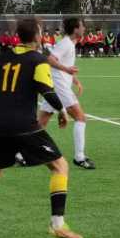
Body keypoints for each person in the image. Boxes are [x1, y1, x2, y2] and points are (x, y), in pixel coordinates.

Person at [0, 18, 82, 238]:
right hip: (25, 126)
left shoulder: (1, 58)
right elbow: (47, 92)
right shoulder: (37, 60)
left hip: (0, 126)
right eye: (41, 32)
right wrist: (61, 111)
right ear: (37, 36)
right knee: (60, 166)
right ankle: (57, 224)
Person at [37, 17, 95, 169]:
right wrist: (67, 70)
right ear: (75, 29)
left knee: (40, 123)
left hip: (55, 86)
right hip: (60, 87)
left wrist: (74, 79)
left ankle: (20, 154)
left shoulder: (69, 44)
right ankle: (79, 157)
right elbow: (50, 59)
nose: (84, 29)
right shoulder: (66, 43)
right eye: (82, 26)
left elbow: (63, 64)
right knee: (80, 118)